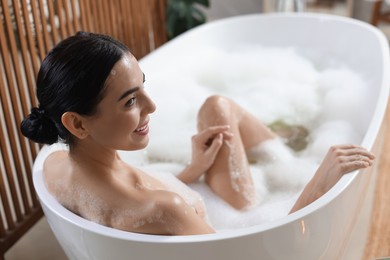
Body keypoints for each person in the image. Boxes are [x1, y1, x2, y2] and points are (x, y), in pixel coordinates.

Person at [21, 32, 375, 235]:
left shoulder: (56, 166)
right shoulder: (164, 209)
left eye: (143, 87)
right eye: (130, 101)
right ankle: (285, 144)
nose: (152, 105)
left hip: (192, 192)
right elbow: (255, 253)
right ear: (77, 124)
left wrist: (191, 171)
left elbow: (124, 197)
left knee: (216, 108)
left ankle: (279, 143)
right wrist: (318, 181)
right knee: (220, 107)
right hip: (235, 215)